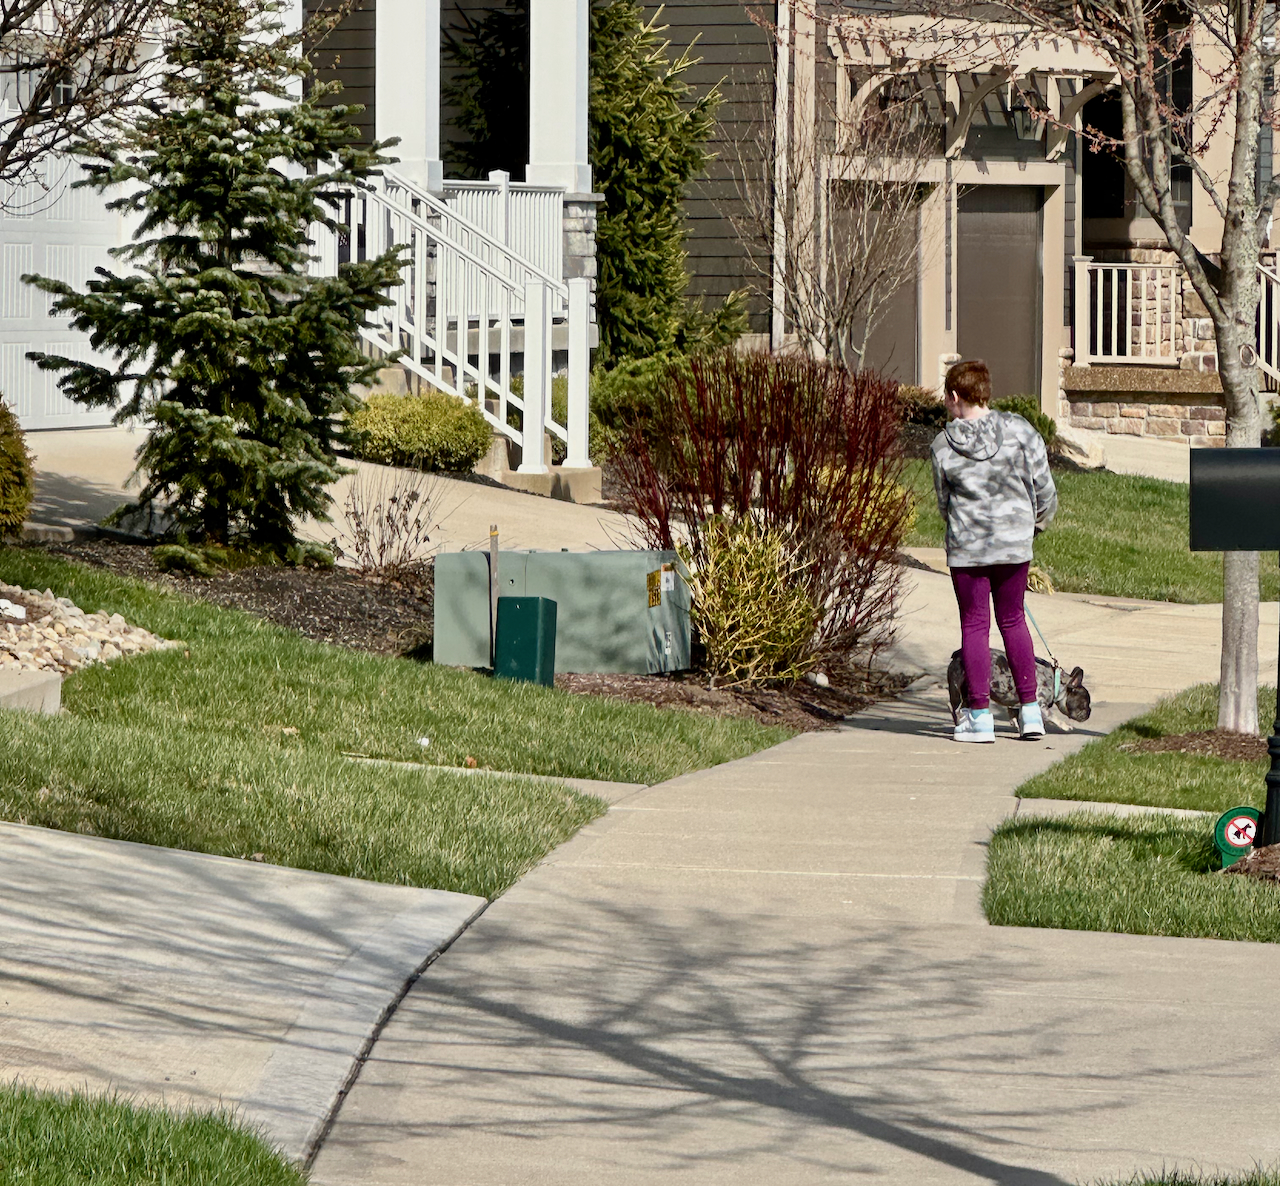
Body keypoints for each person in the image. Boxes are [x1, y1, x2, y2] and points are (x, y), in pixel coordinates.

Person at [931, 360, 1057, 743]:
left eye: (947, 397)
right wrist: (1032, 527)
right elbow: (1045, 489)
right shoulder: (1021, 431)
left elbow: (943, 503)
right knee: (1013, 620)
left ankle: (979, 716)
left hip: (968, 548)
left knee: (974, 625)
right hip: (1014, 545)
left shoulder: (942, 446)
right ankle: (1031, 712)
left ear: (955, 396)